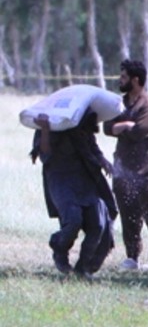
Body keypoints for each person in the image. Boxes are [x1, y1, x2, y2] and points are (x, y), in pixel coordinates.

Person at [103, 59, 148, 270]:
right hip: (124, 168)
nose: (120, 79)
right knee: (128, 213)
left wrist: (121, 128)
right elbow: (107, 127)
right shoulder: (120, 103)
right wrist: (125, 124)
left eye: (124, 76)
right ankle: (132, 256)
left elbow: (139, 132)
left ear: (135, 80)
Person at [29, 109, 117, 277]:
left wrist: (103, 161)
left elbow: (92, 146)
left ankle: (83, 267)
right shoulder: (52, 123)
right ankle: (59, 250)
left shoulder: (83, 122)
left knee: (98, 224)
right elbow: (44, 155)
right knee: (73, 220)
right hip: (61, 180)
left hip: (86, 180)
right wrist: (46, 129)